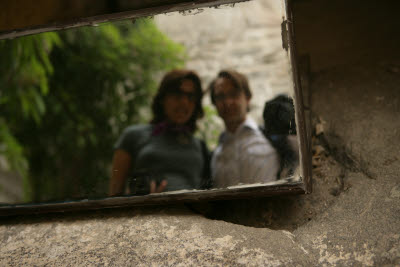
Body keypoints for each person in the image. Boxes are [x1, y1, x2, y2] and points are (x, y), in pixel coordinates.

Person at [109, 69, 210, 196]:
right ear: (162, 99)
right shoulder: (132, 135)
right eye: (177, 94)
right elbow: (114, 194)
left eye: (190, 97)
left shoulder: (201, 147)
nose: (184, 102)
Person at [208, 69, 279, 188]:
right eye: (220, 96)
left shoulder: (267, 141)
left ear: (247, 98)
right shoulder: (217, 154)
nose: (227, 102)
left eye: (233, 94)